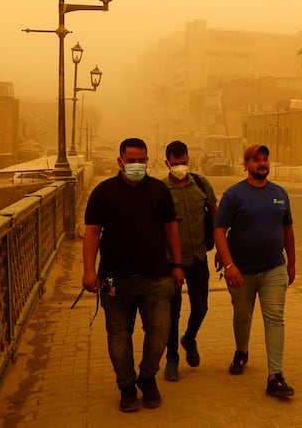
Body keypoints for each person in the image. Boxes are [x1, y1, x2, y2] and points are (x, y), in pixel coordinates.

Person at [82, 137, 184, 413]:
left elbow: (171, 229)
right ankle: (127, 387)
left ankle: (147, 377)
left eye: (141, 160)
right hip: (115, 280)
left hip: (157, 277)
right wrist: (89, 270)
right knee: (118, 335)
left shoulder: (160, 191)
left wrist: (177, 265)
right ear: (120, 162)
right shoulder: (103, 193)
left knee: (161, 331)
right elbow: (92, 232)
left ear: (147, 161)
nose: (137, 165)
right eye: (131, 161)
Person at [214, 144, 296, 398]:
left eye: (265, 159)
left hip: (274, 268)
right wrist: (229, 265)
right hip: (241, 271)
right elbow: (219, 231)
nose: (262, 163)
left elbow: (288, 230)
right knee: (242, 316)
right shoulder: (234, 195)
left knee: (275, 318)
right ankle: (242, 352)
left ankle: (276, 376)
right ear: (245, 164)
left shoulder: (280, 194)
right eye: (256, 160)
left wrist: (291, 263)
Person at [162, 140, 218, 381]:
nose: (181, 167)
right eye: (176, 164)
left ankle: (190, 337)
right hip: (172, 262)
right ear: (167, 163)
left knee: (201, 306)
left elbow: (216, 218)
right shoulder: (161, 190)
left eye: (184, 162)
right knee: (171, 314)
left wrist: (222, 253)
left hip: (198, 257)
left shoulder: (202, 185)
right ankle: (172, 359)